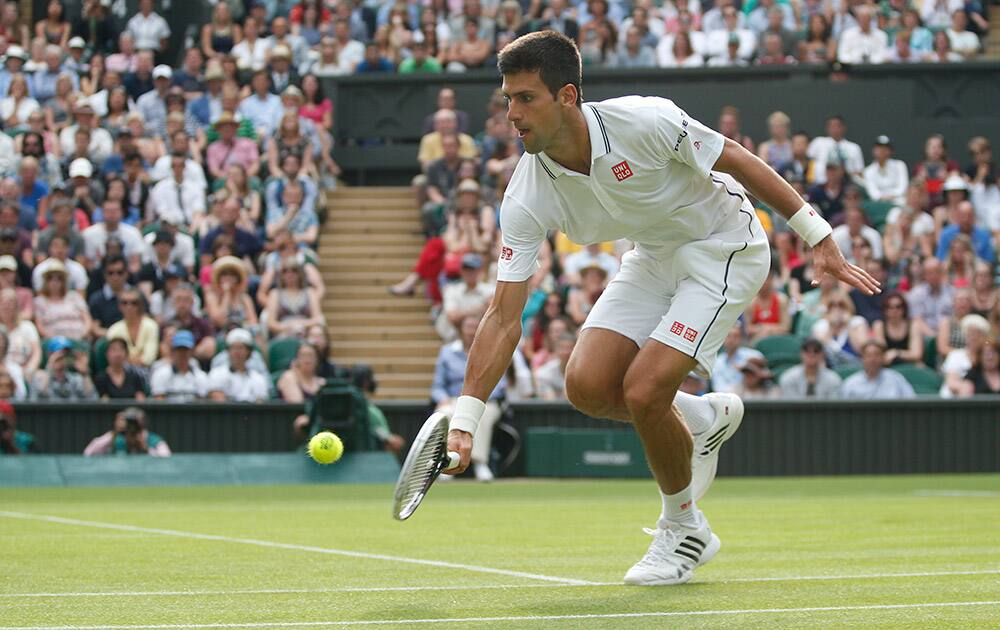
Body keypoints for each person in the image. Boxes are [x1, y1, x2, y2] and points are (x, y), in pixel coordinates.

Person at [442, 31, 878, 586]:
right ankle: (699, 416)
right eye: (507, 98)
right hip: (651, 258)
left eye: (526, 98)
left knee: (645, 391)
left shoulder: (644, 121)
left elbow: (738, 158)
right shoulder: (526, 194)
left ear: (568, 96)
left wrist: (818, 235)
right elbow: (503, 316)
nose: (512, 114)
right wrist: (466, 420)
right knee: (587, 387)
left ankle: (685, 528)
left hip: (724, 246)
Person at [433, 313, 504, 482]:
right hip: (452, 401)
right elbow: (437, 386)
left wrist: (478, 401)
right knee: (445, 413)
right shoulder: (447, 352)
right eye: (468, 327)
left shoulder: (492, 351)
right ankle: (447, 463)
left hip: (485, 402)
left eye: (475, 328)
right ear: (460, 330)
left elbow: (500, 386)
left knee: (481, 415)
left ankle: (480, 463)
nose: (471, 332)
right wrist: (443, 398)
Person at [207, 328, 269, 402]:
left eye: (241, 348)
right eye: (234, 348)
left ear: (249, 352)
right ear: (228, 351)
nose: (237, 352)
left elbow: (260, 404)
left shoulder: (258, 379)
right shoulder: (217, 374)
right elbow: (219, 403)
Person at [840, 341, 916, 399]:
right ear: (862, 359)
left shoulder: (896, 379)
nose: (872, 359)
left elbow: (911, 401)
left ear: (883, 358)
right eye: (868, 355)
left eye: (876, 355)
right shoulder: (850, 384)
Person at [107, 288, 160, 370]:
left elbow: (149, 359)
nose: (129, 306)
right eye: (124, 303)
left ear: (140, 305)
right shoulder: (114, 330)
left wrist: (127, 359)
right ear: (120, 306)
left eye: (134, 303)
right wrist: (138, 357)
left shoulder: (151, 326)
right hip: (122, 372)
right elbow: (114, 359)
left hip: (148, 371)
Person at [83, 407, 171, 456]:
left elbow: (166, 457)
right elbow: (89, 452)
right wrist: (114, 433)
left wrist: (146, 448)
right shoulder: (116, 437)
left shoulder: (154, 439)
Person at [29, 336, 96, 400]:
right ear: (50, 354)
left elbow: (92, 398)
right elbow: (38, 397)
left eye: (66, 353)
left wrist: (85, 374)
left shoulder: (75, 379)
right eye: (60, 353)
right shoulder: (39, 377)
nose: (63, 357)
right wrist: (50, 367)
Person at [940, 314, 990, 398]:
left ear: (984, 337)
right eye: (970, 333)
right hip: (953, 400)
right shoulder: (956, 355)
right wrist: (966, 387)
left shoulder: (988, 358)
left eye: (978, 334)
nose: (973, 337)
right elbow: (951, 382)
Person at [149, 329, 207, 401]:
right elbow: (158, 402)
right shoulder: (160, 374)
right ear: (173, 351)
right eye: (179, 350)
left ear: (192, 351)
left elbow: (201, 403)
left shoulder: (200, 376)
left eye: (186, 350)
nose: (182, 354)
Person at [778, 337, 842, 398]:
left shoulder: (833, 379)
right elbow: (789, 406)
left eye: (816, 351)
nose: (811, 354)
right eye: (806, 351)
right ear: (800, 353)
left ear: (823, 354)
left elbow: (833, 407)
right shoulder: (788, 377)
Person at [872, 291, 923, 366]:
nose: (894, 310)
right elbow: (881, 353)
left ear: (904, 309)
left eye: (898, 307)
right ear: (885, 310)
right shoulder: (879, 325)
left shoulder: (913, 325)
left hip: (910, 364)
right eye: (889, 307)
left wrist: (896, 353)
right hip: (887, 365)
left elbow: (917, 354)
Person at [863, 136, 908, 205]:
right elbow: (873, 193)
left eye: (885, 148)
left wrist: (891, 196)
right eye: (879, 147)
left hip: (899, 201)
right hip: (878, 203)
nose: (882, 150)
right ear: (873, 150)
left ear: (890, 151)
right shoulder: (868, 171)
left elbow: (903, 187)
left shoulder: (900, 165)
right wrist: (883, 197)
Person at [533, 330, 576, 399]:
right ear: (556, 350)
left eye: (570, 348)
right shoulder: (544, 373)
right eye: (562, 348)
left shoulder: (584, 373)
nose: (566, 352)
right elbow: (549, 400)